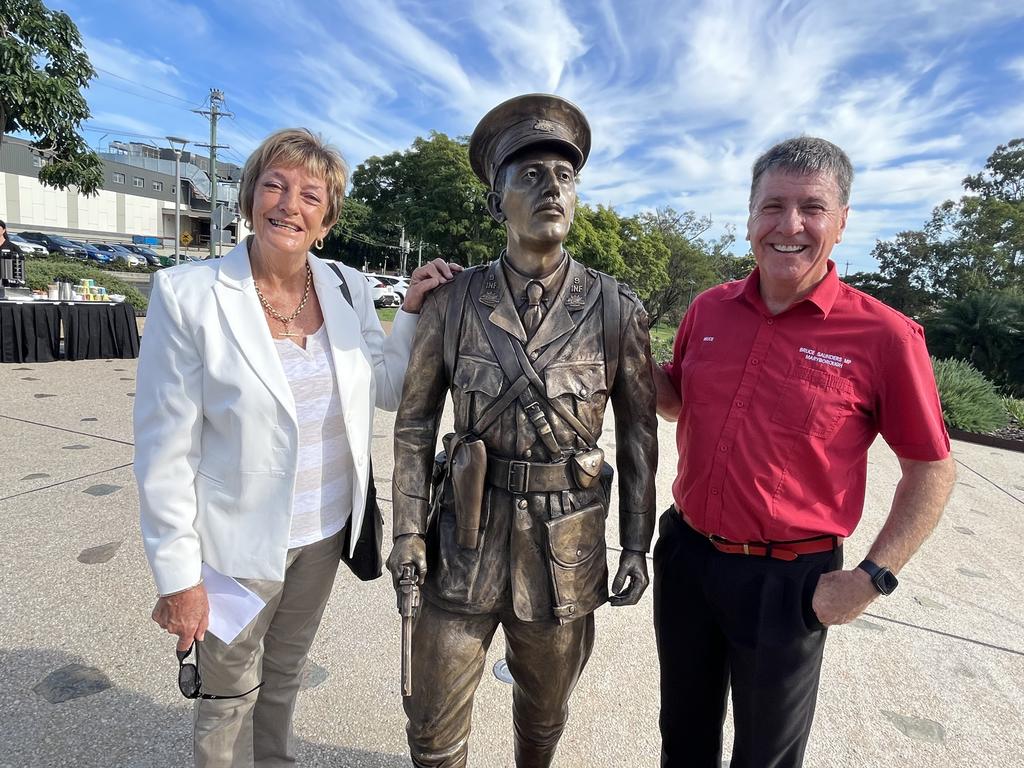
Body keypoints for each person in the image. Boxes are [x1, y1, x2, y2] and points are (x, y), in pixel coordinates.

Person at [133, 127, 456, 767]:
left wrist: (413, 310)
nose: (290, 204)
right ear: (250, 197)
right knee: (228, 695)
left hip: (324, 531)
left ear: (327, 219)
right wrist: (178, 578)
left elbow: (385, 387)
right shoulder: (188, 296)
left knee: (284, 674)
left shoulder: (346, 288)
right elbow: (162, 449)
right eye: (275, 185)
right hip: (233, 547)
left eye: (311, 195)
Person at [651, 136, 956, 767]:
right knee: (681, 733)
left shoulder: (885, 336)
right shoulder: (709, 308)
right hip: (686, 557)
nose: (789, 225)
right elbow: (677, 399)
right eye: (773, 206)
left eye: (811, 208)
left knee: (765, 755)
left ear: (842, 223)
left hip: (788, 581)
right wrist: (614, 344)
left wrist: (871, 579)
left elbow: (931, 469)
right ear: (749, 219)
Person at [387, 93, 658, 768]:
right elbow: (416, 423)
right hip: (462, 541)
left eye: (565, 177)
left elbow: (639, 435)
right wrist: (406, 533)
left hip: (563, 545)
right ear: (495, 200)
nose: (552, 189)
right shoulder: (452, 303)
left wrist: (636, 544)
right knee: (431, 724)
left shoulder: (616, 308)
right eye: (531, 175)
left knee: (543, 719)